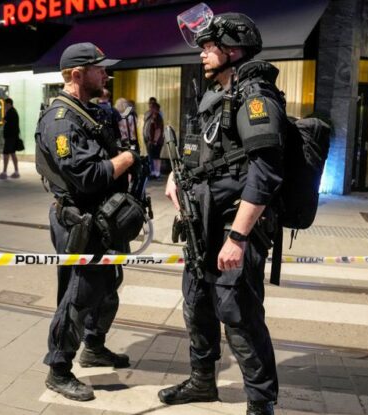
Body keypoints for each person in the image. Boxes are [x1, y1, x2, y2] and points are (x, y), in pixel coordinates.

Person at [159, 11, 285, 415]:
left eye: (209, 46)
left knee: (239, 315)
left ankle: (261, 404)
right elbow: (207, 153)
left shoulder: (255, 96)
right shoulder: (218, 95)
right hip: (204, 223)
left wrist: (238, 237)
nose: (202, 54)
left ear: (232, 49)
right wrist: (178, 178)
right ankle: (202, 382)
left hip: (234, 225)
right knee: (197, 304)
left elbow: (266, 172)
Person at [35, 42, 141, 402]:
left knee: (107, 284)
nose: (106, 74)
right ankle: (58, 369)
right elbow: (88, 176)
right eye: (100, 69)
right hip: (79, 222)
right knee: (78, 294)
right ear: (78, 75)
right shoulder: (61, 121)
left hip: (103, 220)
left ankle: (94, 346)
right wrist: (128, 159)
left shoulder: (86, 112)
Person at [0, 98, 20, 179]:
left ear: (9, 104)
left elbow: (4, 120)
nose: (4, 106)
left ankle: (4, 172)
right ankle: (16, 172)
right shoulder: (13, 111)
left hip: (10, 137)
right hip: (13, 136)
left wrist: (5, 114)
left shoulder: (10, 112)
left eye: (5, 104)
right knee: (12, 153)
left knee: (6, 154)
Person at [143, 101, 164, 178]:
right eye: (150, 107)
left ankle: (156, 172)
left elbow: (158, 130)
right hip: (150, 141)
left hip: (156, 141)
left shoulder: (157, 117)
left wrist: (155, 140)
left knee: (156, 156)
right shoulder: (151, 116)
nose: (150, 109)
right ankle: (153, 172)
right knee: (152, 156)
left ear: (156, 108)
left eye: (151, 107)